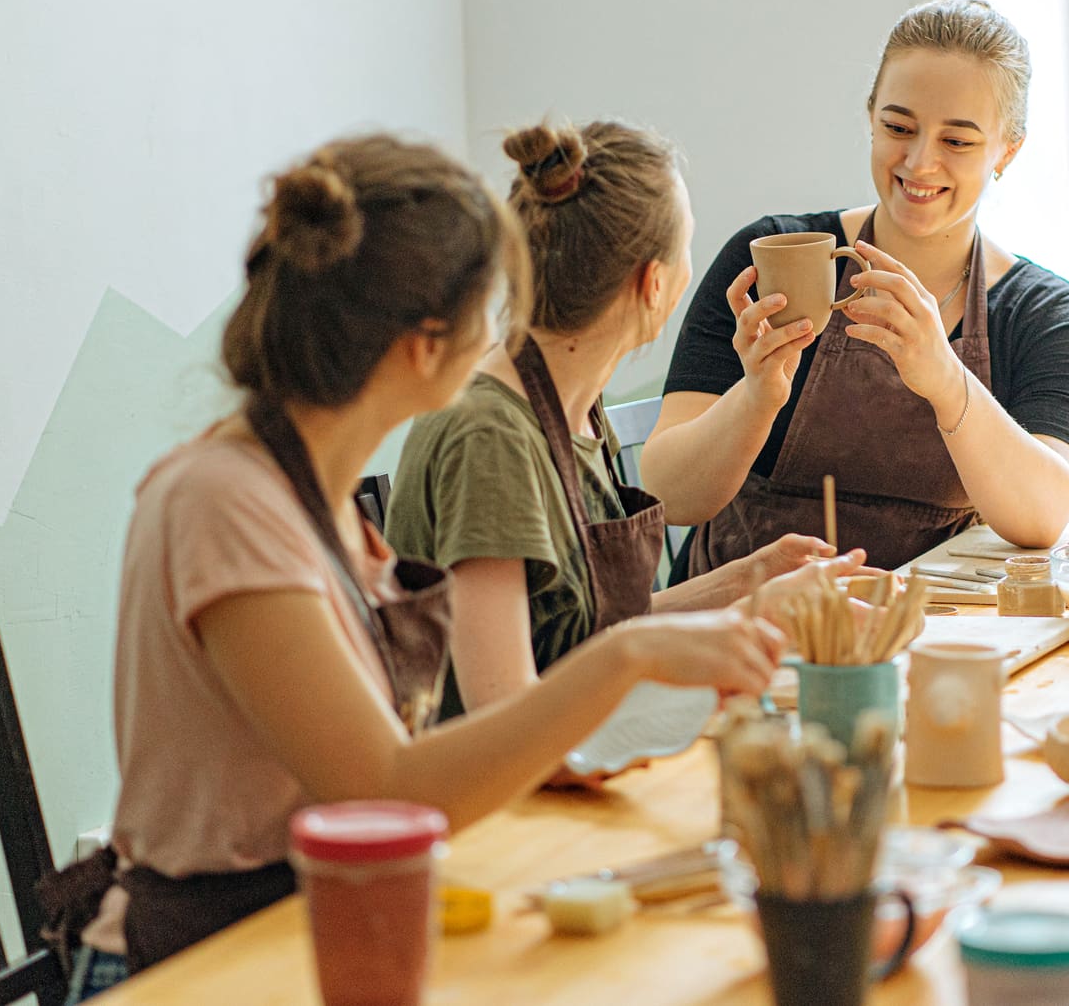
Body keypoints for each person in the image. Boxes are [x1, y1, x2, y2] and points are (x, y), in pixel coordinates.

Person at [53, 136, 784, 1001]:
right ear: (423, 343)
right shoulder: (222, 503)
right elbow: (381, 786)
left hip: (323, 924)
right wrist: (628, 655)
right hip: (201, 963)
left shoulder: (315, 501)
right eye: (490, 306)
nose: (503, 332)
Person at [385, 122, 864, 724]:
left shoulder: (572, 405)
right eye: (686, 248)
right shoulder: (489, 437)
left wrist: (748, 579)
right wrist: (743, 616)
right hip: (508, 801)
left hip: (585, 747)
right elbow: (502, 711)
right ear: (653, 283)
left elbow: (590, 635)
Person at [643, 0, 1069, 577]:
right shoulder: (771, 260)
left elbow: (1042, 517)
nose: (919, 161)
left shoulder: (1043, 314)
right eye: (898, 127)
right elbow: (671, 498)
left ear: (1007, 150)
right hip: (741, 628)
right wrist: (758, 394)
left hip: (934, 626)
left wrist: (943, 377)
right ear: (870, 116)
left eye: (957, 142)